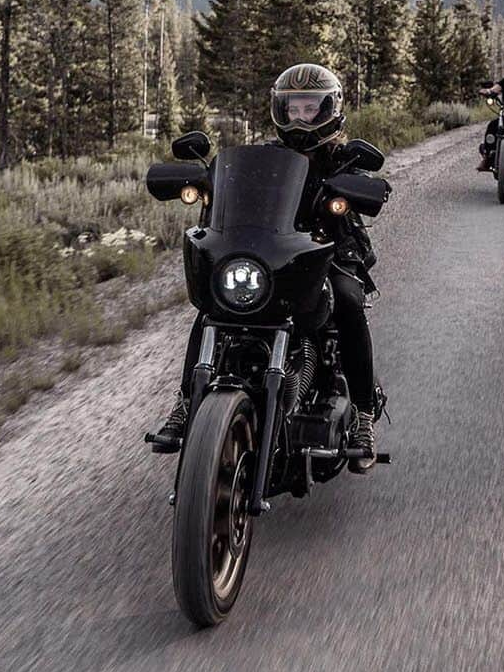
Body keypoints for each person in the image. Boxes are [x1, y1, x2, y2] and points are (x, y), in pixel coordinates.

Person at [153, 64, 383, 473]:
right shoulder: (265, 156)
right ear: (278, 110)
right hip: (271, 254)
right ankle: (186, 403)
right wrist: (204, 181)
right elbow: (229, 186)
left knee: (347, 300)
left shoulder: (343, 158)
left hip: (330, 250)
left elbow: (371, 187)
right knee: (214, 306)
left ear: (329, 110)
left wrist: (359, 188)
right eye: (291, 108)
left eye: (309, 109)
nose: (299, 118)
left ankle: (364, 415)